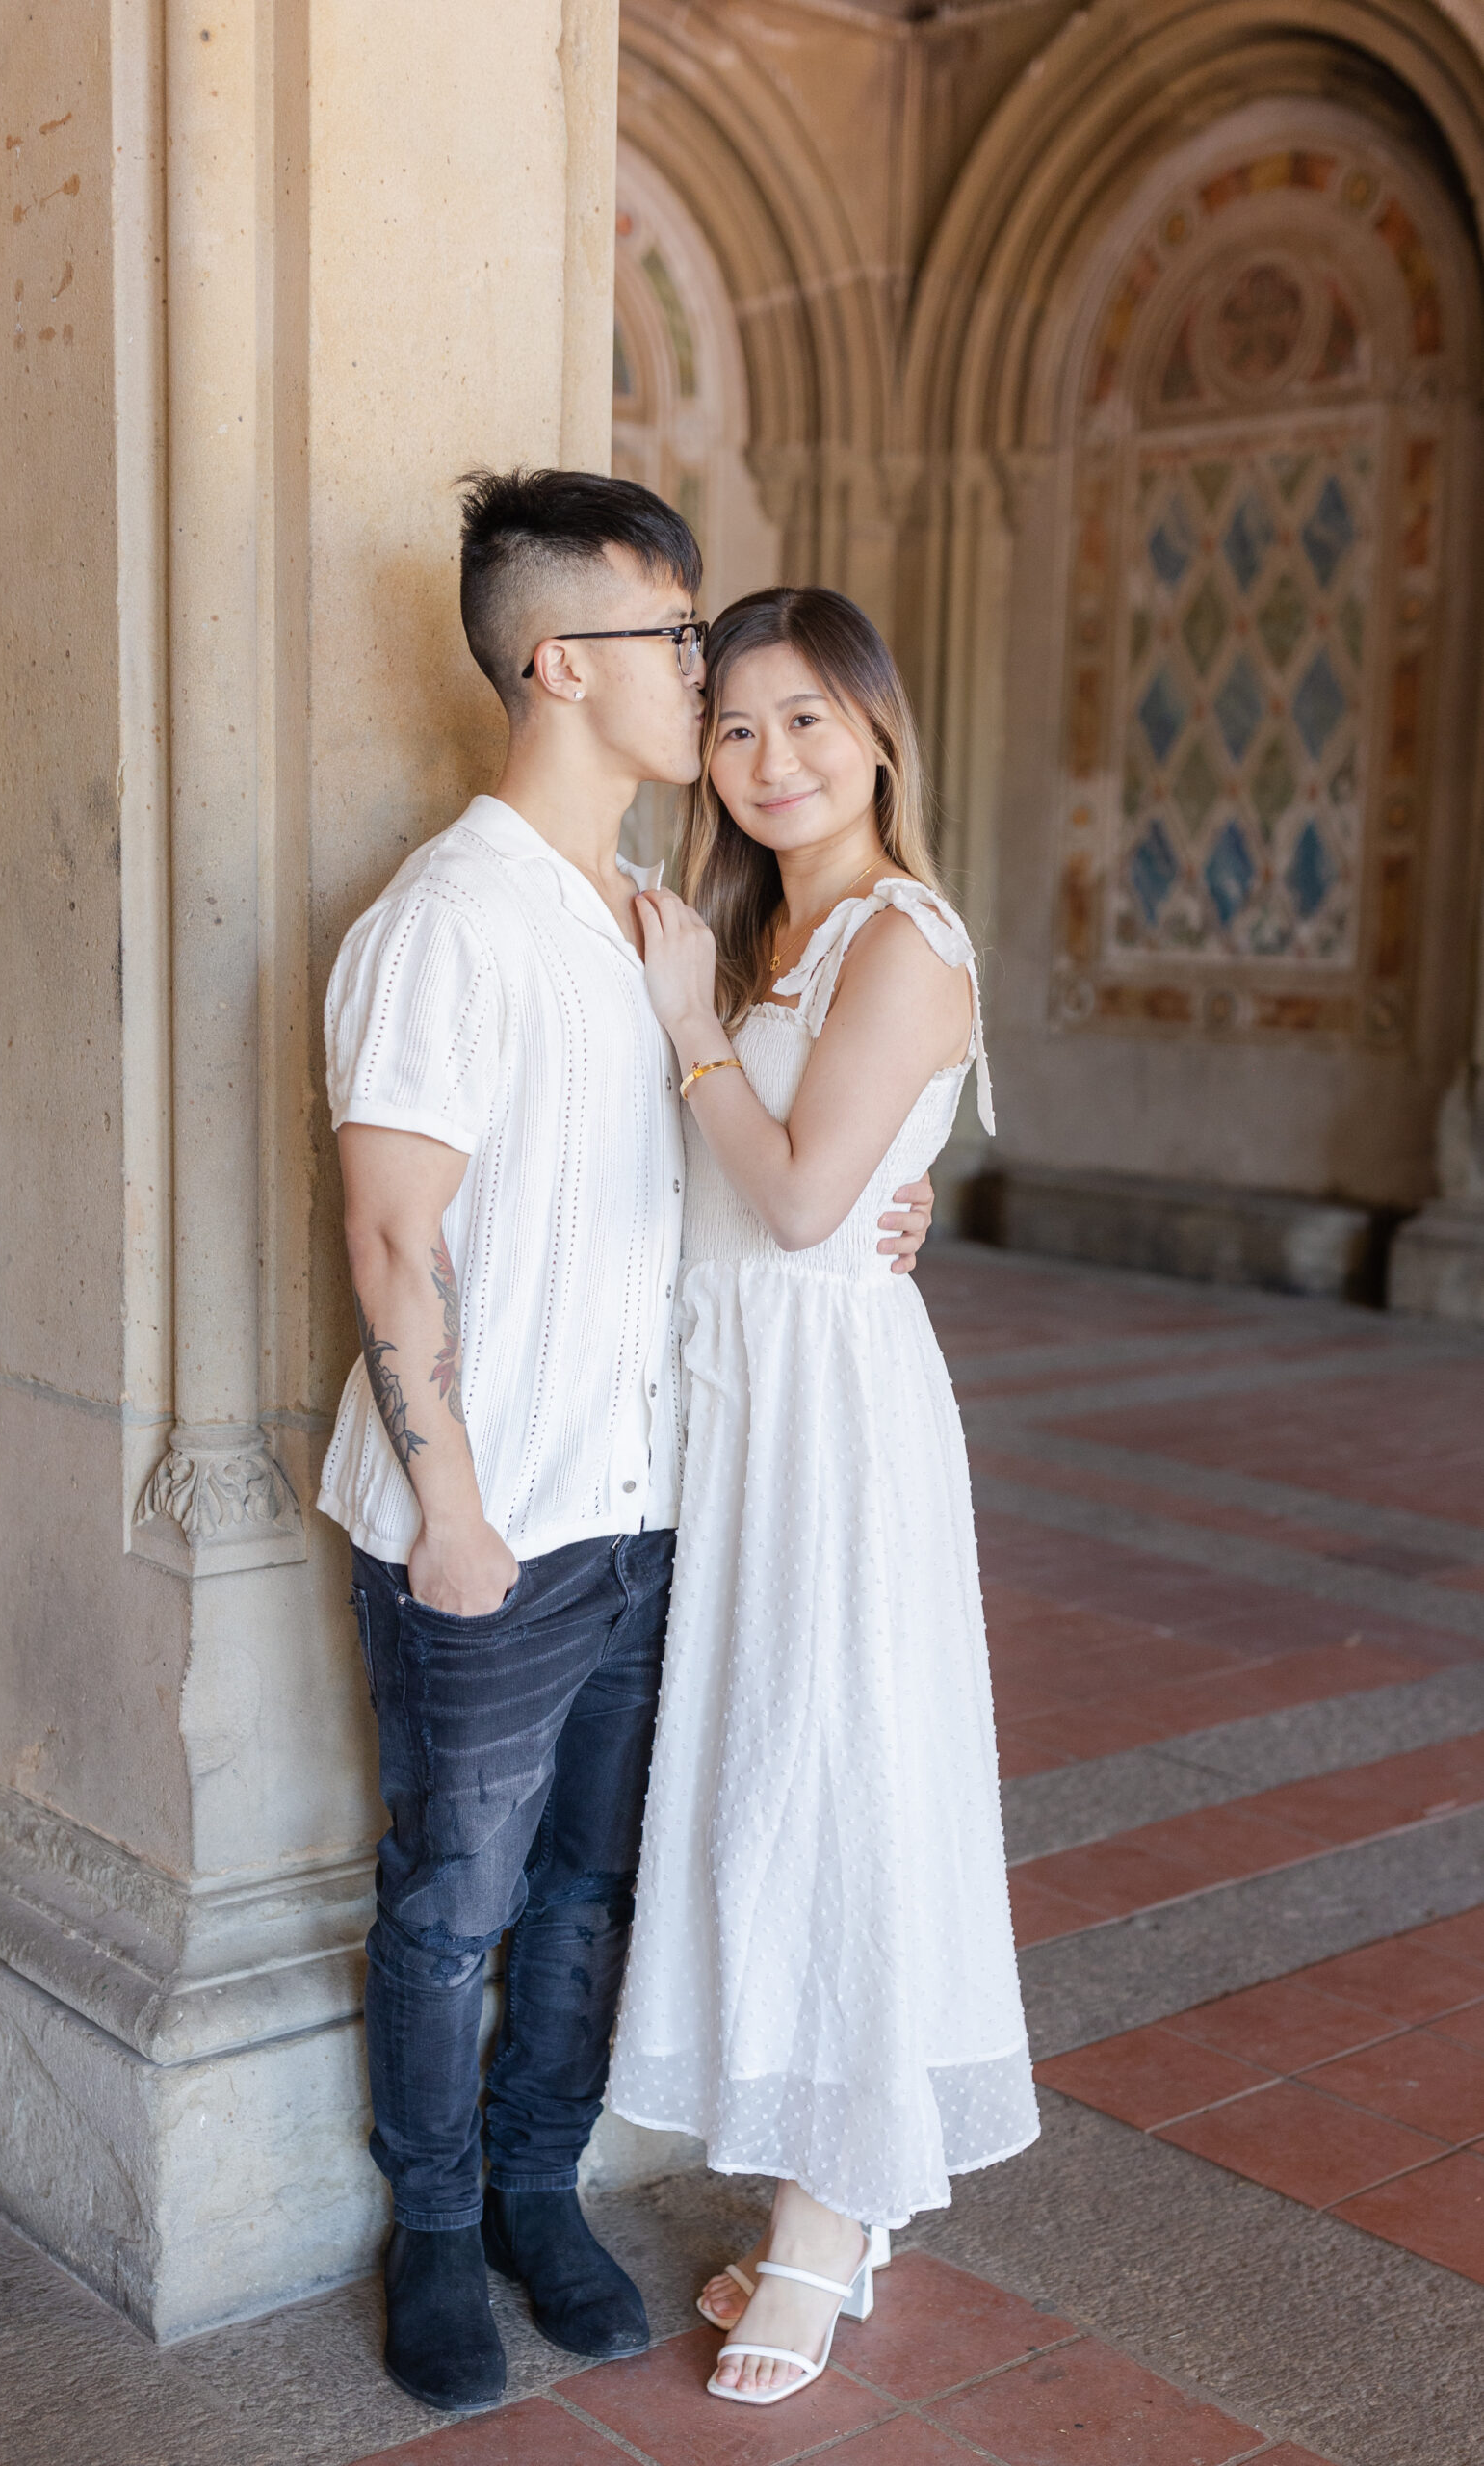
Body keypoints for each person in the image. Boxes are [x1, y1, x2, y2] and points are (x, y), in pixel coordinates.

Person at [318, 472, 934, 2416]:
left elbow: (770, 1161)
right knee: (452, 1897)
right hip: (492, 1521)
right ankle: (429, 2228)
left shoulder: (661, 918)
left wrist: (878, 1216)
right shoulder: (447, 917)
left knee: (587, 1888)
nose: (708, 674)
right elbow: (390, 1227)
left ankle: (530, 2189)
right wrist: (450, 1506)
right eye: (679, 644)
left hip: (656, 1506)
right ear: (562, 663)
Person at [610, 584, 1039, 2409]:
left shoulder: (899, 938)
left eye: (807, 721)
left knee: (829, 1779)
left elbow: (797, 1203)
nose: (771, 761)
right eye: (734, 728)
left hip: (832, 1425)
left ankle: (826, 2211)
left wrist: (692, 1025)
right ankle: (832, 2181)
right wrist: (705, 1004)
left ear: (876, 730)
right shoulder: (745, 924)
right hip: (731, 1398)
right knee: (745, 1778)